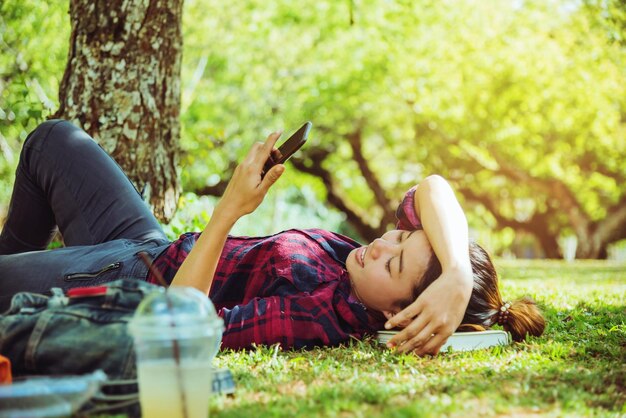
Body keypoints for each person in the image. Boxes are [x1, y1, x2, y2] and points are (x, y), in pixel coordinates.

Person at [0, 120, 544, 355]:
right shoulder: (356, 264)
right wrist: (454, 274)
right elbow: (432, 187)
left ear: (399, 317)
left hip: (133, 279)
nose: (381, 244)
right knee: (53, 141)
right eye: (398, 238)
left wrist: (231, 208)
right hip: (153, 241)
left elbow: (180, 326)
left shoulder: (322, 315)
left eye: (395, 265)